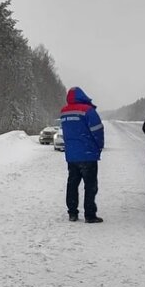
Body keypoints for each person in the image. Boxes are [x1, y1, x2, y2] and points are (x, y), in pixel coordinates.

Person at [60, 87, 105, 223]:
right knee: (90, 185)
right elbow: (97, 131)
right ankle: (90, 214)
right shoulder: (88, 111)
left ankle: (72, 213)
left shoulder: (64, 112)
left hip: (72, 155)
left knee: (72, 183)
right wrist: (99, 146)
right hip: (88, 154)